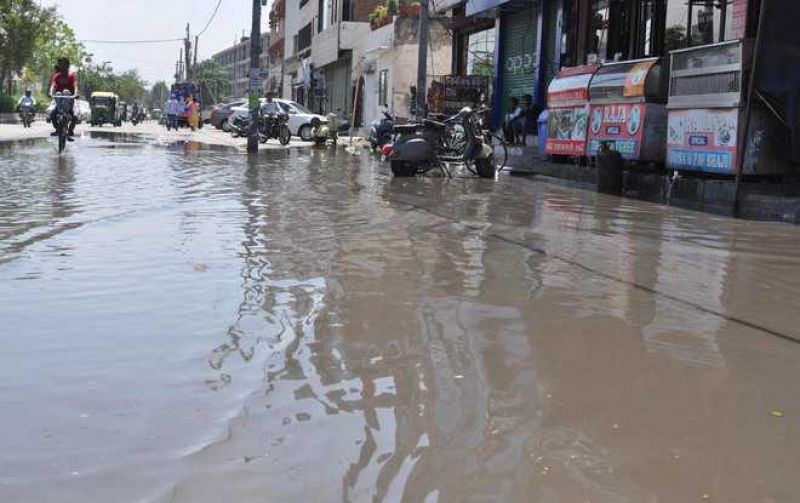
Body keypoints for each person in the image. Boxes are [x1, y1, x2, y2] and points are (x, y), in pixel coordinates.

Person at [49, 57, 78, 140]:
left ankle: (70, 131)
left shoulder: (72, 76)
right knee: (52, 115)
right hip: (59, 101)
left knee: (74, 116)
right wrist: (51, 93)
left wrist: (75, 94)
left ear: (68, 65)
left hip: (69, 101)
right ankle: (58, 129)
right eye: (60, 65)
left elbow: (75, 86)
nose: (62, 66)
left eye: (64, 65)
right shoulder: (57, 76)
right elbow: (53, 85)